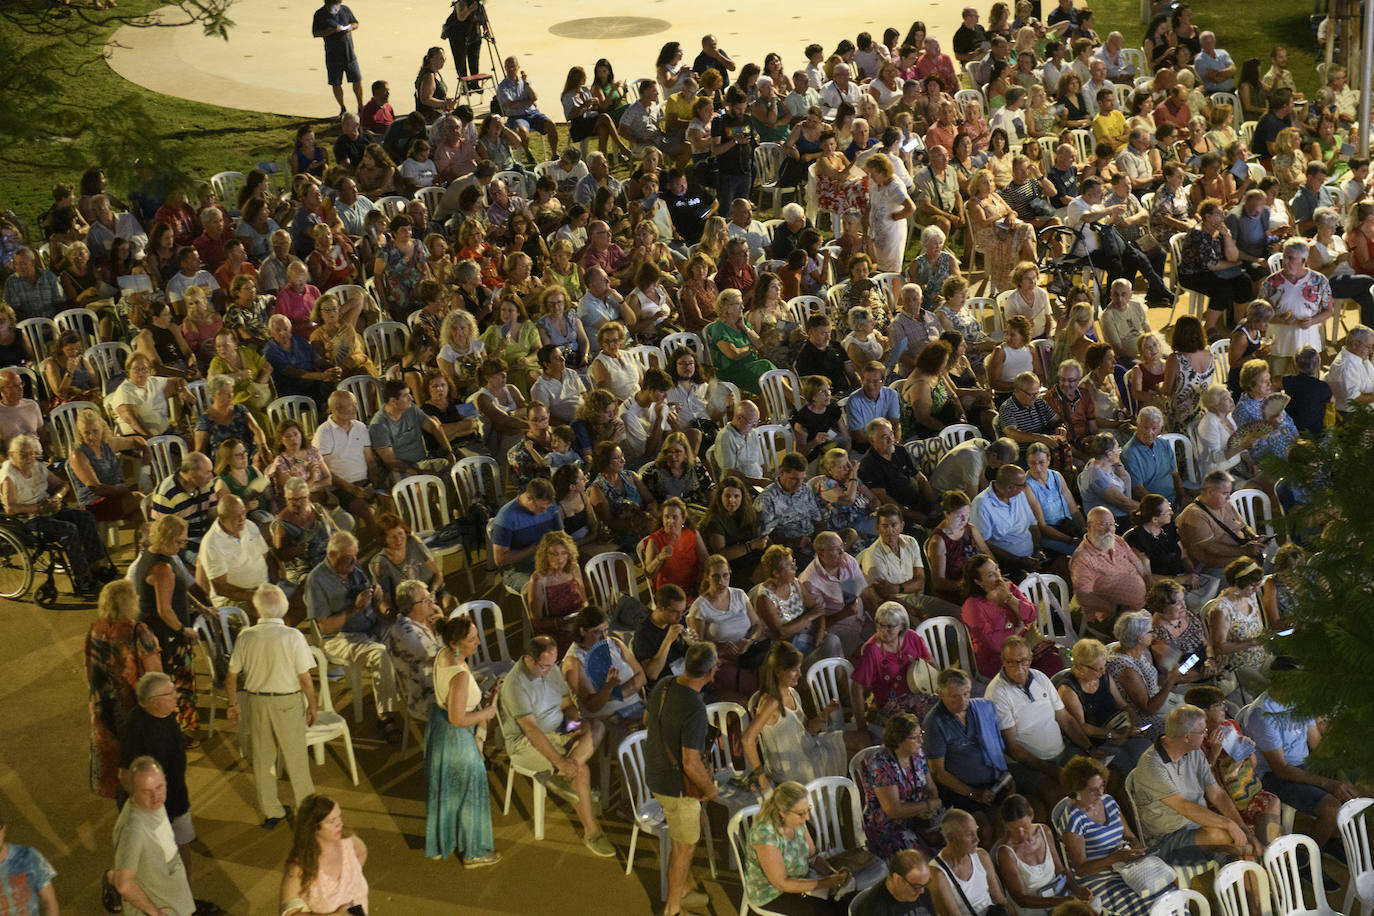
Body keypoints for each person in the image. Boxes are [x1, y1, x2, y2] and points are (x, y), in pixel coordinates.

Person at [499, 635, 614, 856]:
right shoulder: (515, 685)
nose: (550, 670)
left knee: (597, 726)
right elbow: (531, 731)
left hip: (558, 730)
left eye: (553, 664)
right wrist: (559, 761)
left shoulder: (550, 669)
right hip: (526, 743)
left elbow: (567, 704)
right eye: (545, 666)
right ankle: (592, 832)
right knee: (581, 771)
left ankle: (563, 776)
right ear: (529, 659)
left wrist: (572, 722)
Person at [1240, 678, 1356, 858]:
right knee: (1331, 807)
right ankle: (1305, 859)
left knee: (1353, 789)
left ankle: (1330, 839)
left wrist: (1337, 773)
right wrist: (1327, 783)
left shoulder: (1300, 700)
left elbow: (1316, 745)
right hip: (1273, 775)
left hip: (1303, 764)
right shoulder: (1263, 714)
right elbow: (1281, 768)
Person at [1129, 703, 1259, 863]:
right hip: (1165, 839)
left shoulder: (1194, 752)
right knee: (1228, 839)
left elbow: (1217, 794)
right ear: (1186, 737)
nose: (1206, 735)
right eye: (1202, 731)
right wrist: (1229, 824)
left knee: (1245, 847)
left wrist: (1241, 827)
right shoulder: (1152, 765)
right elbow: (1184, 807)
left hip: (1197, 826)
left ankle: (1253, 865)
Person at [305, 530, 402, 742]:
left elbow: (375, 604)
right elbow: (325, 627)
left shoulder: (354, 569)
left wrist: (378, 599)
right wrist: (355, 608)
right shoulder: (317, 580)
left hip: (370, 626)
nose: (355, 562)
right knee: (379, 653)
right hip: (340, 637)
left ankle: (415, 691)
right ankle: (385, 716)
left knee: (407, 629)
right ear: (332, 555)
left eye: (355, 556)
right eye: (349, 558)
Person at [425, 613, 501, 866]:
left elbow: (454, 693)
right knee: (470, 791)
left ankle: (443, 842)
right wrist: (486, 712)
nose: (478, 642)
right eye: (472, 639)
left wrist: (477, 693)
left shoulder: (446, 654)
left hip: (438, 728)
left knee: (447, 790)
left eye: (477, 636)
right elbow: (457, 718)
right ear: (455, 642)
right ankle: (473, 852)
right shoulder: (460, 674)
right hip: (455, 737)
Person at [1053, 755, 1168, 916]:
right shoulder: (1073, 819)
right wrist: (1116, 858)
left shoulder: (1109, 802)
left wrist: (1137, 851)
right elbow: (1081, 869)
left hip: (1124, 867)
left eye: (1102, 786)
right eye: (1093, 790)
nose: (1100, 793)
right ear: (1076, 791)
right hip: (1098, 876)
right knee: (1145, 906)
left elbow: (1129, 836)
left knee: (1165, 894)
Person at [86, 580, 161, 799]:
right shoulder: (138, 631)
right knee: (138, 760)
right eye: (134, 596)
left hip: (102, 706)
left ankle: (119, 795)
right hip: (133, 707)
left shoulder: (96, 629)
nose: (138, 598)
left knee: (112, 757)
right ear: (127, 603)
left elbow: (89, 668)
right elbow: (155, 675)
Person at [742, 641, 848, 789]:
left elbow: (808, 728)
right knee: (857, 746)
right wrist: (760, 775)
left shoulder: (792, 693)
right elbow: (747, 739)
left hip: (809, 751)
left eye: (799, 668)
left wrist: (827, 711)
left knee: (861, 741)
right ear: (778, 672)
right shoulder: (772, 702)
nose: (800, 674)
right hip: (795, 768)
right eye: (794, 670)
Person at [745, 781, 855, 915]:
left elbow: (813, 856)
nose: (807, 817)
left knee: (847, 902)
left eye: (808, 810)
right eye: (801, 813)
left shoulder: (797, 821)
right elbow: (781, 883)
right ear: (782, 812)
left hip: (802, 878)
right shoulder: (765, 835)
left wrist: (833, 874)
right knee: (827, 912)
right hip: (773, 894)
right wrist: (825, 883)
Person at [109, 758, 202, 916]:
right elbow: (124, 884)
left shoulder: (153, 805)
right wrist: (155, 912)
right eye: (146, 791)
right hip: (159, 907)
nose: (155, 796)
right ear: (133, 790)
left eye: (159, 787)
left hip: (173, 900)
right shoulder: (134, 829)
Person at [924, 667, 1011, 831]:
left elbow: (996, 746)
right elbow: (938, 772)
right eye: (955, 696)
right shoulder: (935, 723)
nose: (963, 701)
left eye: (966, 694)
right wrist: (973, 793)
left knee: (1018, 812)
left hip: (994, 781)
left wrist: (1005, 775)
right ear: (941, 695)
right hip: (960, 791)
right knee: (983, 828)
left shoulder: (980, 708)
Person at [995, 793, 1092, 916]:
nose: (1021, 833)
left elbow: (1060, 870)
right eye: (1014, 829)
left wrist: (1077, 890)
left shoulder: (1044, 831)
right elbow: (1021, 899)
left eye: (1024, 826)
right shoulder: (1005, 853)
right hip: (1033, 909)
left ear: (1031, 816)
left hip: (1058, 895)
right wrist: (1061, 902)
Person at [1125, 494, 1221, 612]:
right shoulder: (1138, 540)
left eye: (1170, 508)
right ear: (1155, 519)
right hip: (1162, 589)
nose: (1172, 513)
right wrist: (1183, 580)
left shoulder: (1168, 528)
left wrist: (1193, 573)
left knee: (1218, 588)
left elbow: (1183, 556)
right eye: (1167, 511)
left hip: (1181, 578)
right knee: (1205, 606)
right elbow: (1148, 579)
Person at [279, 795, 369, 916]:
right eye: (332, 821)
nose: (340, 824)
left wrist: (351, 880)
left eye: (339, 816)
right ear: (313, 827)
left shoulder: (348, 841)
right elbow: (289, 913)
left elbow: (362, 852)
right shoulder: (301, 866)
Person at [1177, 470, 1272, 578]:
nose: (1228, 497)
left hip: (1240, 553)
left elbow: (1243, 526)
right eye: (1224, 493)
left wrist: (1255, 538)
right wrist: (1244, 550)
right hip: (1213, 567)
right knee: (1255, 570)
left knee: (1274, 560)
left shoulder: (1225, 504)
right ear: (1210, 492)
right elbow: (1211, 549)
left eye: (1229, 493)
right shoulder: (1195, 515)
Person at [971, 463, 1047, 582]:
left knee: (1064, 564)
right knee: (1031, 582)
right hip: (1009, 563)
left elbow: (1033, 525)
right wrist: (1019, 560)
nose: (1026, 487)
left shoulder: (1018, 494)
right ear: (1010, 487)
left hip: (1032, 557)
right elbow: (984, 545)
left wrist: (1038, 549)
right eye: (1023, 485)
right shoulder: (982, 504)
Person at [929, 807, 1010, 915]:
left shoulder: (982, 856)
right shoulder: (938, 875)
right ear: (951, 838)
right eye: (969, 835)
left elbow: (998, 898)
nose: (977, 839)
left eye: (976, 831)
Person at [311, 0, 363, 115]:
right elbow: (316, 33)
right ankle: (343, 108)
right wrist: (331, 31)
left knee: (357, 80)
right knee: (336, 84)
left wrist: (351, 27)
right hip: (333, 56)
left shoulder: (345, 10)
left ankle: (361, 106)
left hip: (349, 54)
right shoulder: (320, 14)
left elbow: (355, 23)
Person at [851, 849, 935, 916]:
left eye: (926, 884)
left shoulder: (922, 889)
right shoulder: (873, 908)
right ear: (897, 879)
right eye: (916, 887)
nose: (922, 891)